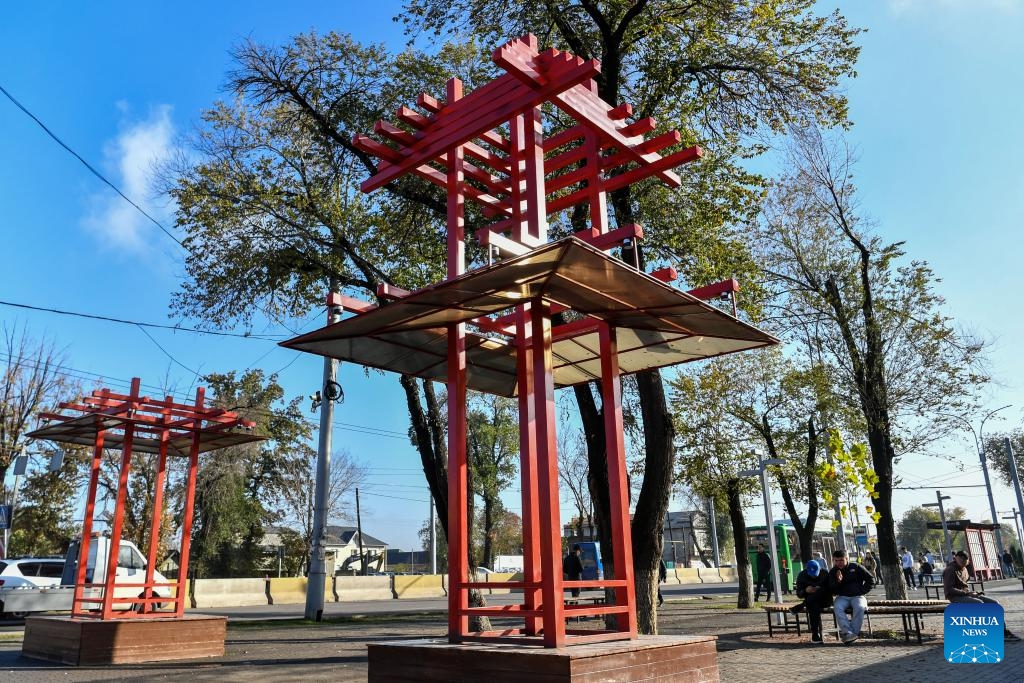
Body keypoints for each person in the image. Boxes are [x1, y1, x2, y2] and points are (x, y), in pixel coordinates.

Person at [943, 550, 1020, 642]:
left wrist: (974, 593)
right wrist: (967, 593)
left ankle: (1002, 632)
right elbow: (949, 589)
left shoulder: (965, 569)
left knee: (994, 603)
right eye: (961, 559)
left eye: (965, 560)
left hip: (966, 594)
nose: (963, 561)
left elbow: (965, 586)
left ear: (968, 561)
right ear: (956, 558)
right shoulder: (950, 570)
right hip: (955, 597)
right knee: (979, 604)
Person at [827, 548, 874, 644]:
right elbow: (832, 589)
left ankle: (852, 634)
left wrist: (862, 591)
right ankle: (848, 632)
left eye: (841, 560)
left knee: (860, 607)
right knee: (837, 607)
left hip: (858, 596)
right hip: (842, 597)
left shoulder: (856, 567)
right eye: (836, 560)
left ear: (846, 559)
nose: (839, 563)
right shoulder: (833, 571)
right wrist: (838, 582)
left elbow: (871, 579)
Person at [794, 560, 832, 643]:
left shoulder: (825, 573)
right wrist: (805, 591)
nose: (814, 576)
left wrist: (820, 589)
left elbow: (831, 589)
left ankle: (802, 605)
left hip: (825, 599)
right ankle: (815, 634)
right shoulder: (802, 575)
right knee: (813, 606)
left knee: (815, 597)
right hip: (812, 601)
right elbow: (799, 594)